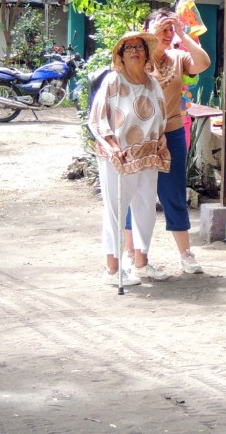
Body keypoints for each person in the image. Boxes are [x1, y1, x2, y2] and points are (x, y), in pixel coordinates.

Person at [124, 7, 211, 278]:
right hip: (139, 136)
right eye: (161, 28)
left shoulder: (177, 57)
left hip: (171, 133)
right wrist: (150, 35)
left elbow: (203, 63)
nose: (166, 33)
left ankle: (185, 254)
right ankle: (132, 256)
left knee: (173, 194)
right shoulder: (137, 57)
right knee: (136, 196)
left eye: (169, 28)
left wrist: (183, 35)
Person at [89, 31, 170, 287]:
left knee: (146, 208)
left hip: (147, 154)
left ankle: (141, 264)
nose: (134, 51)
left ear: (146, 53)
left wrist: (163, 136)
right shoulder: (113, 81)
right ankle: (112, 270)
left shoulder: (152, 83)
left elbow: (161, 117)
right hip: (119, 155)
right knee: (116, 209)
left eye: (139, 47)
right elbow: (98, 120)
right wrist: (112, 146)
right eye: (128, 48)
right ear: (121, 56)